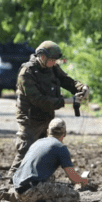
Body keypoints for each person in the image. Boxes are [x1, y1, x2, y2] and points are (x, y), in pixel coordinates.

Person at [11, 40, 89, 174]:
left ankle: (39, 181)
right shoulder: (27, 72)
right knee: (25, 152)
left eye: (55, 60)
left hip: (46, 117)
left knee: (44, 153)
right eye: (51, 60)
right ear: (42, 57)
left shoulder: (52, 68)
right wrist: (68, 101)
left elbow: (66, 80)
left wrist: (82, 87)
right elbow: (38, 100)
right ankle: (10, 184)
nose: (54, 63)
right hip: (30, 120)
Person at [12, 118, 88, 202]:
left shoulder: (37, 143)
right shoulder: (61, 147)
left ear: (48, 132)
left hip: (17, 189)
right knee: (74, 196)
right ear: (65, 134)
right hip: (30, 191)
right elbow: (73, 178)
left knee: (51, 178)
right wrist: (83, 181)